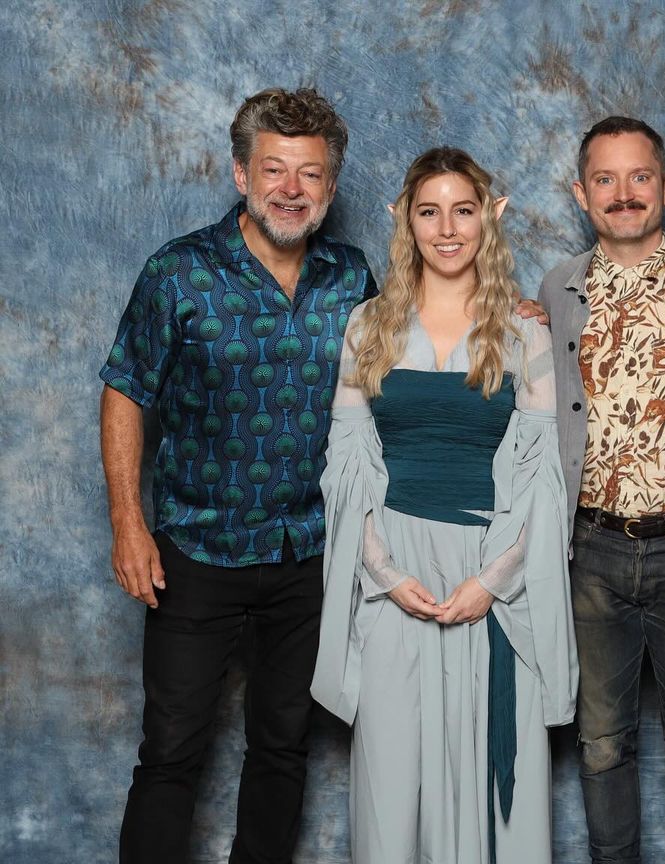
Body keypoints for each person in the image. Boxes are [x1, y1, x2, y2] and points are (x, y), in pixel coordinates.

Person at [100, 87, 376, 864]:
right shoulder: (179, 273)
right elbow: (124, 388)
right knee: (173, 751)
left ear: (330, 185)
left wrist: (515, 311)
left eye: (310, 174)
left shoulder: (352, 278)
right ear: (240, 174)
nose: (292, 188)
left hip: (309, 557)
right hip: (196, 554)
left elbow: (417, 354)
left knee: (284, 745)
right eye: (275, 169)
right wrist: (128, 523)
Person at [310, 147, 577, 864]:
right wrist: (386, 573)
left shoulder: (526, 334)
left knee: (495, 786)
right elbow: (347, 467)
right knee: (391, 781)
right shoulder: (367, 327)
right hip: (394, 572)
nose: (448, 228)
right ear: (407, 221)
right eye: (430, 212)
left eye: (463, 210)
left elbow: (543, 481)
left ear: (489, 218)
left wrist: (491, 582)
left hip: (494, 573)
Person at [538, 117, 665, 864]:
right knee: (601, 741)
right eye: (605, 179)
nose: (623, 194)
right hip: (591, 548)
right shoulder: (556, 291)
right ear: (580, 193)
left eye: (639, 177)